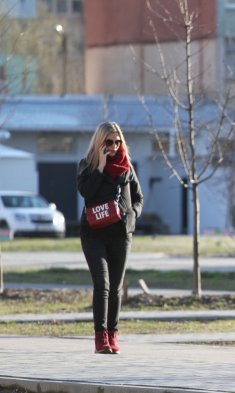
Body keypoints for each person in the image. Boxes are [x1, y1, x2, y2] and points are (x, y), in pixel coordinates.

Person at [77, 121, 143, 354]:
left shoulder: (127, 167)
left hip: (120, 234)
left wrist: (131, 217)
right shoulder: (87, 165)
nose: (114, 146)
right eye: (109, 142)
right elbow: (86, 192)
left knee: (115, 287)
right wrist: (101, 167)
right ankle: (100, 338)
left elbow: (138, 198)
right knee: (102, 285)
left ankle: (113, 336)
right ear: (100, 142)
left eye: (118, 141)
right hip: (93, 233)